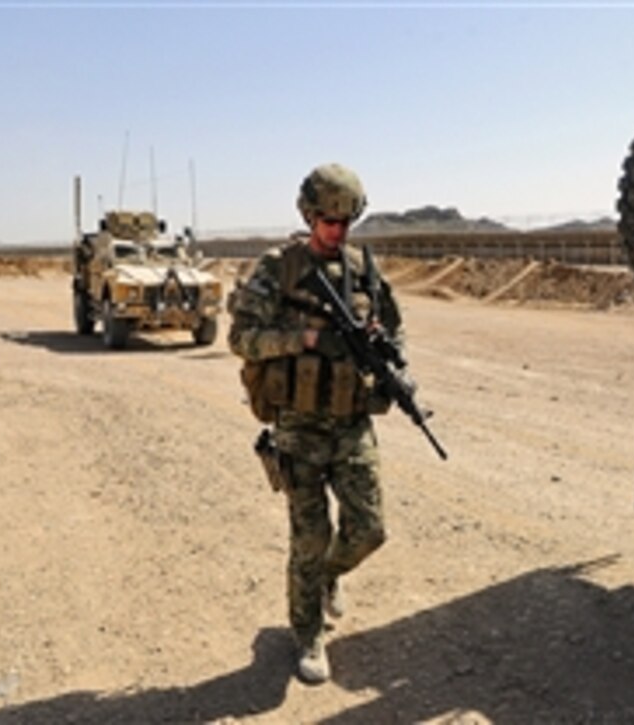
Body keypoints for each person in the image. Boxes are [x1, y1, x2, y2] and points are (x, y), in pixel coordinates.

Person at [227, 163, 404, 684]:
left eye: (347, 220)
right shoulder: (278, 269)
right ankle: (308, 635)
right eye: (328, 219)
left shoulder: (364, 269)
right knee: (308, 538)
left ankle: (327, 577)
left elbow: (394, 332)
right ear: (308, 215)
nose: (337, 230)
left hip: (350, 425)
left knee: (370, 529)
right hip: (299, 428)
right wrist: (304, 340)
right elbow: (241, 339)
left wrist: (394, 370)